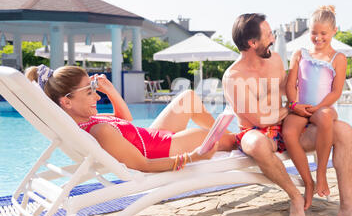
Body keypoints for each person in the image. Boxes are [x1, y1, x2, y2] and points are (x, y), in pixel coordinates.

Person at [223, 13, 352, 216]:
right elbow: (260, 119)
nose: (273, 39)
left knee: (343, 130)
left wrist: (315, 101)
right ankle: (295, 196)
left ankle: (348, 207)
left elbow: (287, 87)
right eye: (268, 35)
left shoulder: (273, 60)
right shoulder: (234, 77)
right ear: (252, 43)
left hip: (285, 127)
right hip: (256, 133)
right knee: (256, 143)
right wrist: (292, 108)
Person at [26, 65, 236, 173]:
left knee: (187, 98)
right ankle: (247, 139)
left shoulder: (86, 120)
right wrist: (193, 157)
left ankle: (236, 136)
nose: (97, 96)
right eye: (90, 92)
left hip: (152, 137)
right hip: (160, 150)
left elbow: (125, 119)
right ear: (66, 102)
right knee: (217, 139)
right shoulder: (98, 130)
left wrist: (110, 91)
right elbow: (143, 165)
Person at [283, 5, 347, 211]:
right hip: (300, 106)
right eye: (313, 33)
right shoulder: (300, 54)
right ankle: (308, 183)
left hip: (322, 107)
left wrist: (318, 107)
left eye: (323, 33)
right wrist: (295, 105)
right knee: (289, 132)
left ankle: (321, 174)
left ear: (334, 31)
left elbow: (336, 91)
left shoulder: (338, 58)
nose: (318, 38)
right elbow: (291, 84)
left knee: (327, 117)